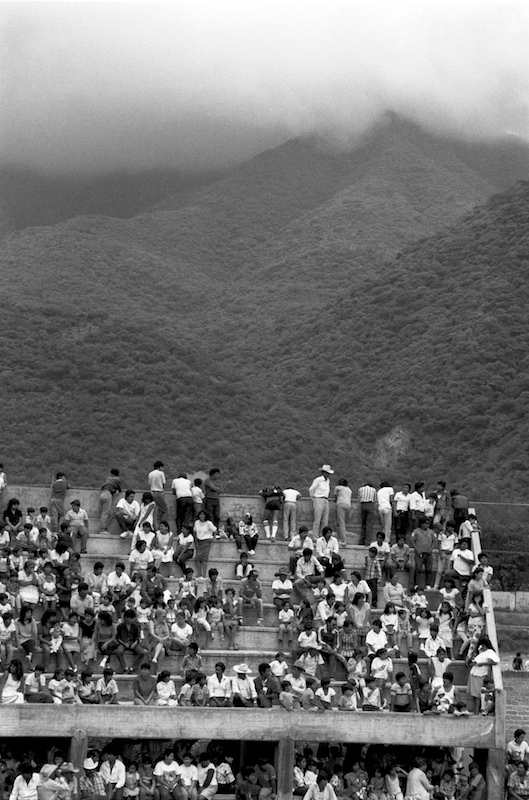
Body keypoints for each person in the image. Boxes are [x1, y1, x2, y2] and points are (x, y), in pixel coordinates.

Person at [309, 465, 334, 538]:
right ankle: (315, 536)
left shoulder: (328, 481)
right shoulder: (318, 480)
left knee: (325, 520)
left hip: (326, 499)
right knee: (317, 519)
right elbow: (311, 489)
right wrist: (313, 498)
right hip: (318, 499)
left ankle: (322, 536)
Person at [410, 517, 435, 590]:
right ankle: (416, 584)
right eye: (426, 523)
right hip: (419, 553)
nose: (427, 525)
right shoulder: (416, 531)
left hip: (428, 553)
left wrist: (431, 549)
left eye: (428, 523)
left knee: (429, 569)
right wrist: (416, 549)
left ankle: (428, 584)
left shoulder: (431, 532)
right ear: (421, 524)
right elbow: (412, 540)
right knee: (418, 568)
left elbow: (434, 541)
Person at [193, 510, 217, 579]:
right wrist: (196, 542)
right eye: (200, 514)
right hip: (199, 541)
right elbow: (194, 532)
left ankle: (204, 575)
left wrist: (213, 538)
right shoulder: (196, 522)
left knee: (204, 559)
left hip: (206, 541)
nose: (202, 516)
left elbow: (215, 530)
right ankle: (199, 574)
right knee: (197, 558)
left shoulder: (209, 523)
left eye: (203, 514)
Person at [99, 469, 123, 534]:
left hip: (102, 493)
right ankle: (102, 529)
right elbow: (119, 488)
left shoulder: (108, 478)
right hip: (107, 494)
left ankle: (102, 528)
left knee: (104, 512)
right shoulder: (117, 479)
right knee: (106, 513)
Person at [148, 462, 168, 529]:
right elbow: (163, 483)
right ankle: (162, 526)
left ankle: (154, 526)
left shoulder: (150, 474)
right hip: (159, 493)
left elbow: (150, 484)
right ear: (159, 467)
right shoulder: (161, 473)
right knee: (165, 510)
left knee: (155, 512)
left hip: (152, 493)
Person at [333, 479, 352, 545]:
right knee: (341, 522)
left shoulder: (337, 488)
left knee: (341, 522)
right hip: (348, 505)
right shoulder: (349, 489)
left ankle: (343, 540)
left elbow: (335, 497)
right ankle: (340, 538)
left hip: (341, 504)